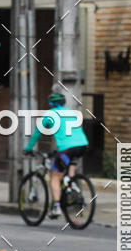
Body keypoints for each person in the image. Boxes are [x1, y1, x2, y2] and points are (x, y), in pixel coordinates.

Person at [24, 91, 89, 219]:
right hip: (83, 145)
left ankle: (56, 207)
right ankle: (72, 187)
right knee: (69, 168)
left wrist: (28, 149)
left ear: (51, 103)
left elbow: (37, 133)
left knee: (54, 177)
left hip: (67, 149)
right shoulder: (70, 112)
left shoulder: (50, 114)